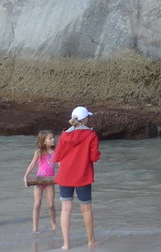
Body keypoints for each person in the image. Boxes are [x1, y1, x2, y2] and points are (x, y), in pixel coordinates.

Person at [54, 105, 100, 250]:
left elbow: (57, 157)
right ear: (85, 119)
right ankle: (91, 241)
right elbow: (94, 157)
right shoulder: (91, 135)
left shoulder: (64, 135)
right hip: (83, 176)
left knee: (66, 209)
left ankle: (66, 244)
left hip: (65, 176)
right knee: (86, 208)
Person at [23, 129, 58, 234]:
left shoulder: (55, 153)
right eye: (50, 138)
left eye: (53, 138)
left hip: (50, 182)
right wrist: (26, 176)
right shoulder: (39, 152)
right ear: (43, 141)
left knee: (51, 205)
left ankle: (53, 223)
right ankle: (35, 228)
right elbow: (33, 164)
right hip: (38, 181)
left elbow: (61, 164)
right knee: (37, 204)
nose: (53, 140)